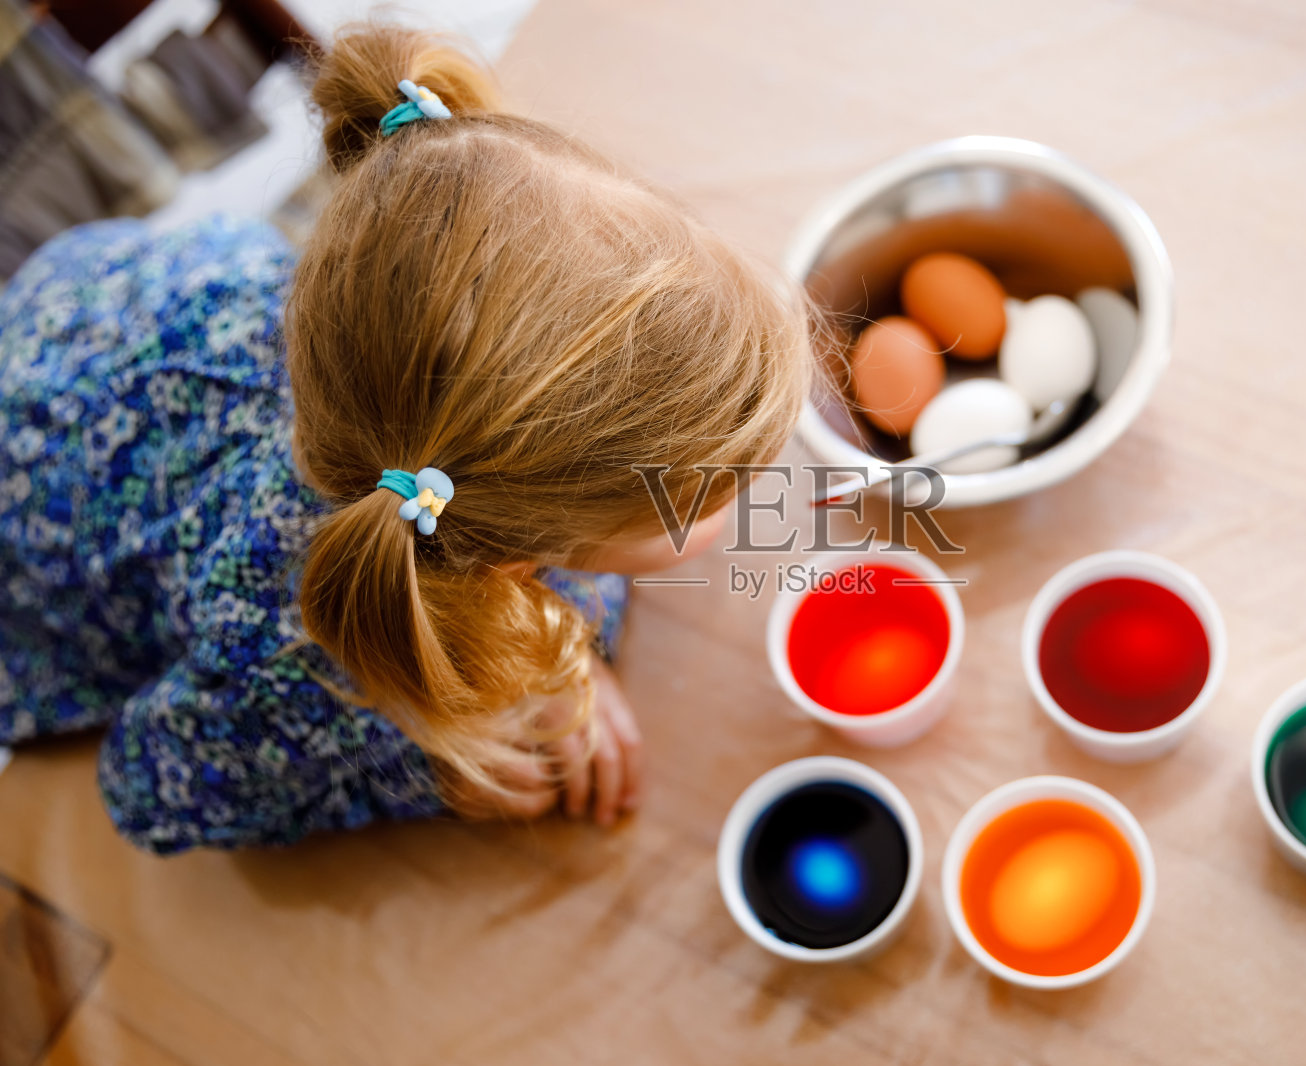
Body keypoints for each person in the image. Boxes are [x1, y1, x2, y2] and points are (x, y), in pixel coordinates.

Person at [0, 24, 810, 854]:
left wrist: (557, 644)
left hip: (83, 308)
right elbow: (143, 788)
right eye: (706, 497)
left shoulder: (378, 306)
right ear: (521, 550)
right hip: (29, 544)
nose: (753, 494)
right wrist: (441, 766)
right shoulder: (298, 657)